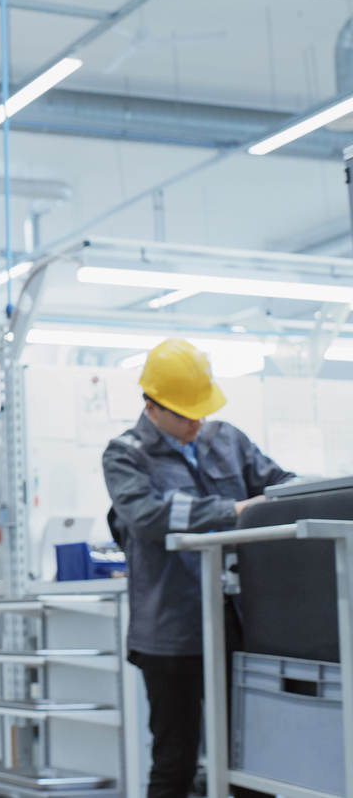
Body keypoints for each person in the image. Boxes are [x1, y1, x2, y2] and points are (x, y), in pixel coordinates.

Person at [103, 338, 292, 798]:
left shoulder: (227, 439)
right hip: (171, 633)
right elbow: (148, 516)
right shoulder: (125, 454)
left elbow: (280, 486)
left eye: (200, 411)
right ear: (152, 407)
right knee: (175, 761)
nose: (196, 422)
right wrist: (235, 511)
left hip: (239, 624)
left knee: (254, 757)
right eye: (185, 414)